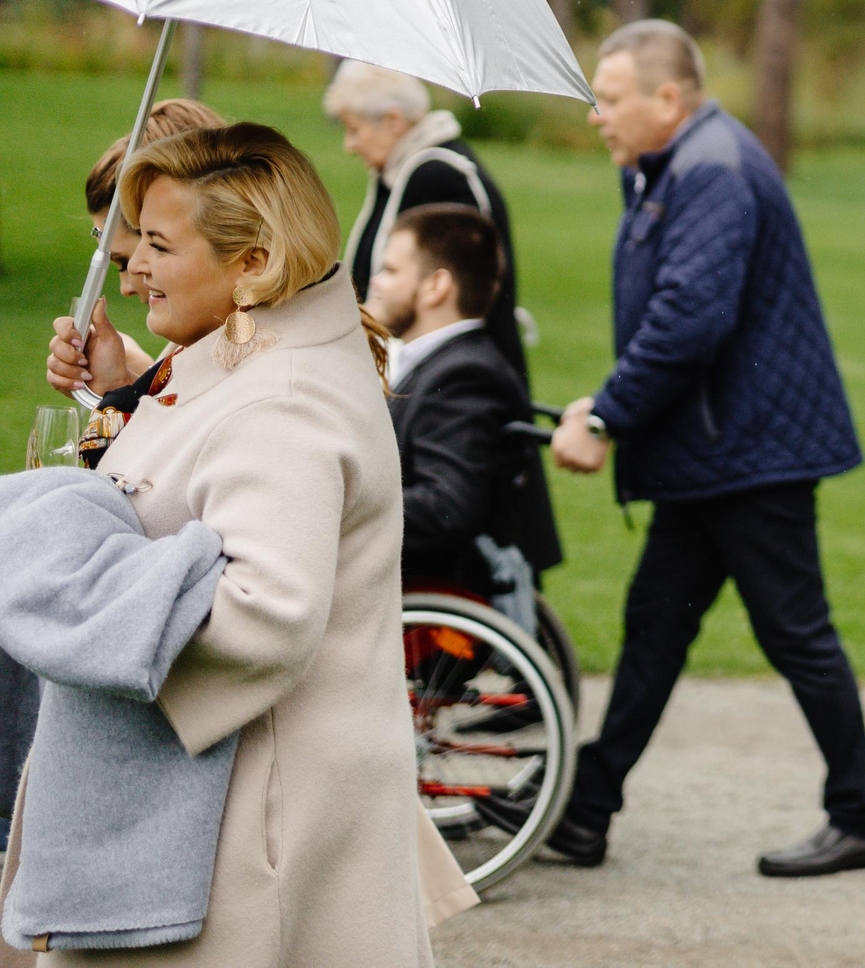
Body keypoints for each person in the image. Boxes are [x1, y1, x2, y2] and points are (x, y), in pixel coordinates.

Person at [28, 123, 475, 963]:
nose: (133, 269)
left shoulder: (284, 399)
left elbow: (266, 610)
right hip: (255, 794)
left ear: (252, 263)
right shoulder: (254, 352)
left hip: (252, 819)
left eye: (158, 244)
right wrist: (125, 391)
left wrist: (71, 585)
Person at [542, 20, 865, 879]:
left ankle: (863, 816)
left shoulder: (713, 170)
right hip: (718, 451)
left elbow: (688, 321)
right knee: (656, 627)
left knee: (794, 632)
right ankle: (587, 812)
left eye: (612, 98)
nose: (598, 116)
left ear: (669, 97)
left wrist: (605, 418)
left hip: (750, 452)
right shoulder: (674, 165)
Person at [366, 204, 563, 601]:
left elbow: (447, 505)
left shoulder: (463, 376)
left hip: (414, 591)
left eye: (390, 271)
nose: (375, 283)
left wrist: (341, 508)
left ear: (436, 286)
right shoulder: (437, 361)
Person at [44, 97, 227, 466]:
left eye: (127, 260)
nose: (128, 287)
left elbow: (158, 488)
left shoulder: (258, 365)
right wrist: (125, 384)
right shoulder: (204, 337)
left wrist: (119, 391)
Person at [325, 59, 528, 379]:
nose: (349, 146)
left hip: (453, 380)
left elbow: (460, 298)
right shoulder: (396, 171)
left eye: (354, 130)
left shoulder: (440, 174)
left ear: (393, 120)